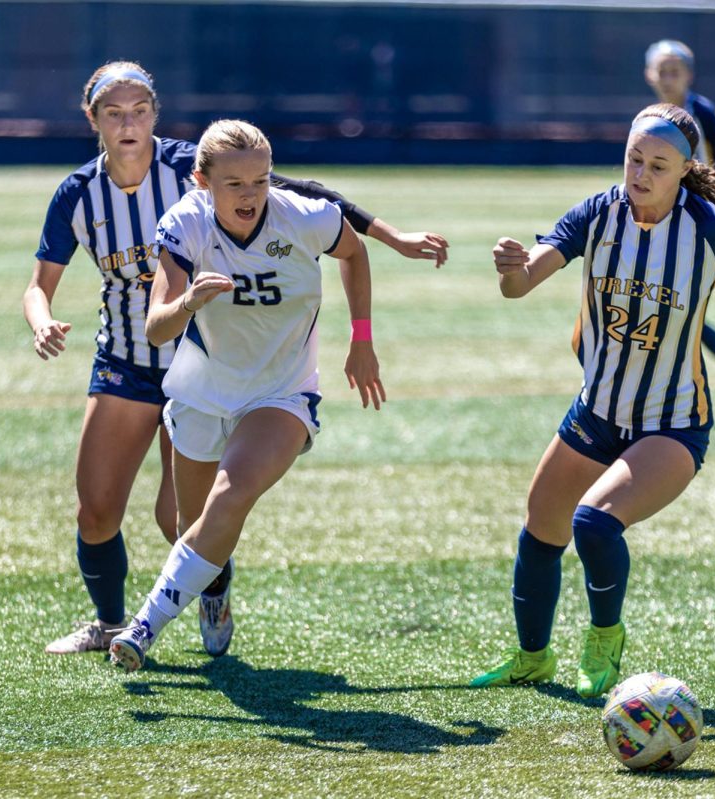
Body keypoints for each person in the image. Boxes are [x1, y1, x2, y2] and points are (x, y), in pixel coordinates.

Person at [24, 62, 447, 657]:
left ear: (156, 115)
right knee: (97, 512)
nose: (129, 124)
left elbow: (313, 200)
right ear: (92, 119)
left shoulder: (213, 167)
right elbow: (47, 285)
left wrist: (390, 242)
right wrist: (44, 319)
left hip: (238, 368)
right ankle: (110, 623)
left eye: (140, 110)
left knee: (187, 518)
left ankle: (185, 603)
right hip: (139, 361)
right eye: (114, 113)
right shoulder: (86, 194)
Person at [471, 103, 715, 698]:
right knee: (540, 530)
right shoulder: (598, 213)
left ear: (685, 170)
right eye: (634, 158)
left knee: (594, 523)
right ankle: (532, 657)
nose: (639, 174)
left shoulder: (712, 228)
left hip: (673, 424)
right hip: (597, 410)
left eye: (658, 165)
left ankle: (605, 642)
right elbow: (523, 282)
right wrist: (510, 269)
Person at [108, 119, 385, 672]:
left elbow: (353, 254)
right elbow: (157, 329)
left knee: (228, 498)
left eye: (260, 180)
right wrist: (189, 301)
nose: (251, 195)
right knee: (187, 526)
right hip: (203, 390)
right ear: (202, 181)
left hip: (281, 393)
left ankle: (143, 626)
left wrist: (361, 338)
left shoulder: (305, 216)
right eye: (234, 184)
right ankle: (214, 585)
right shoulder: (184, 224)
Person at [645, 39, 715, 409]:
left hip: (694, 220)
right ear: (650, 75)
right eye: (662, 70)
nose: (668, 77)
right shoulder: (651, 116)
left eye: (675, 70)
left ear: (688, 75)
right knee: (671, 306)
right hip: (658, 218)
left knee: (675, 307)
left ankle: (683, 393)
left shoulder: (699, 109)